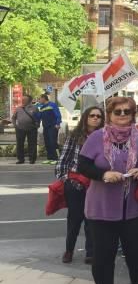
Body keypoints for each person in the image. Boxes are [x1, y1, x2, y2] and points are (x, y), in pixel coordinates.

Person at [77, 96, 138, 284]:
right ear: (109, 115)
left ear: (133, 115)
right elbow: (83, 165)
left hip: (134, 207)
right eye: (118, 112)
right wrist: (103, 174)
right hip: (102, 208)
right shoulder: (97, 137)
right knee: (103, 255)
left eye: (127, 112)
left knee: (135, 251)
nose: (122, 115)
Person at [56, 106, 104, 264]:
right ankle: (69, 250)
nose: (95, 118)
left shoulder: (105, 137)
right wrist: (66, 179)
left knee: (92, 219)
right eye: (92, 115)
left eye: (99, 116)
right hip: (76, 184)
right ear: (86, 118)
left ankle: (90, 252)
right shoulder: (75, 136)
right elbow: (63, 160)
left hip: (96, 184)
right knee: (75, 219)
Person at [12, 94, 39, 165]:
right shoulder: (18, 108)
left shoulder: (34, 108)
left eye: (25, 99)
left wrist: (37, 124)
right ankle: (20, 159)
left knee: (32, 144)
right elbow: (13, 118)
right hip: (20, 129)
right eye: (22, 99)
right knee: (20, 144)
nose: (23, 100)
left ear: (29, 100)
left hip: (32, 129)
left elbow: (38, 117)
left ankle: (32, 159)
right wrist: (15, 125)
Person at [37, 94, 62, 163]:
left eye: (39, 99)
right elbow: (39, 117)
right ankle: (50, 158)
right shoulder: (41, 108)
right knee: (47, 142)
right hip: (46, 127)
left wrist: (58, 123)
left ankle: (56, 158)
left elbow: (58, 115)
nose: (38, 100)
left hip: (53, 127)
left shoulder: (52, 105)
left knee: (52, 142)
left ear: (43, 98)